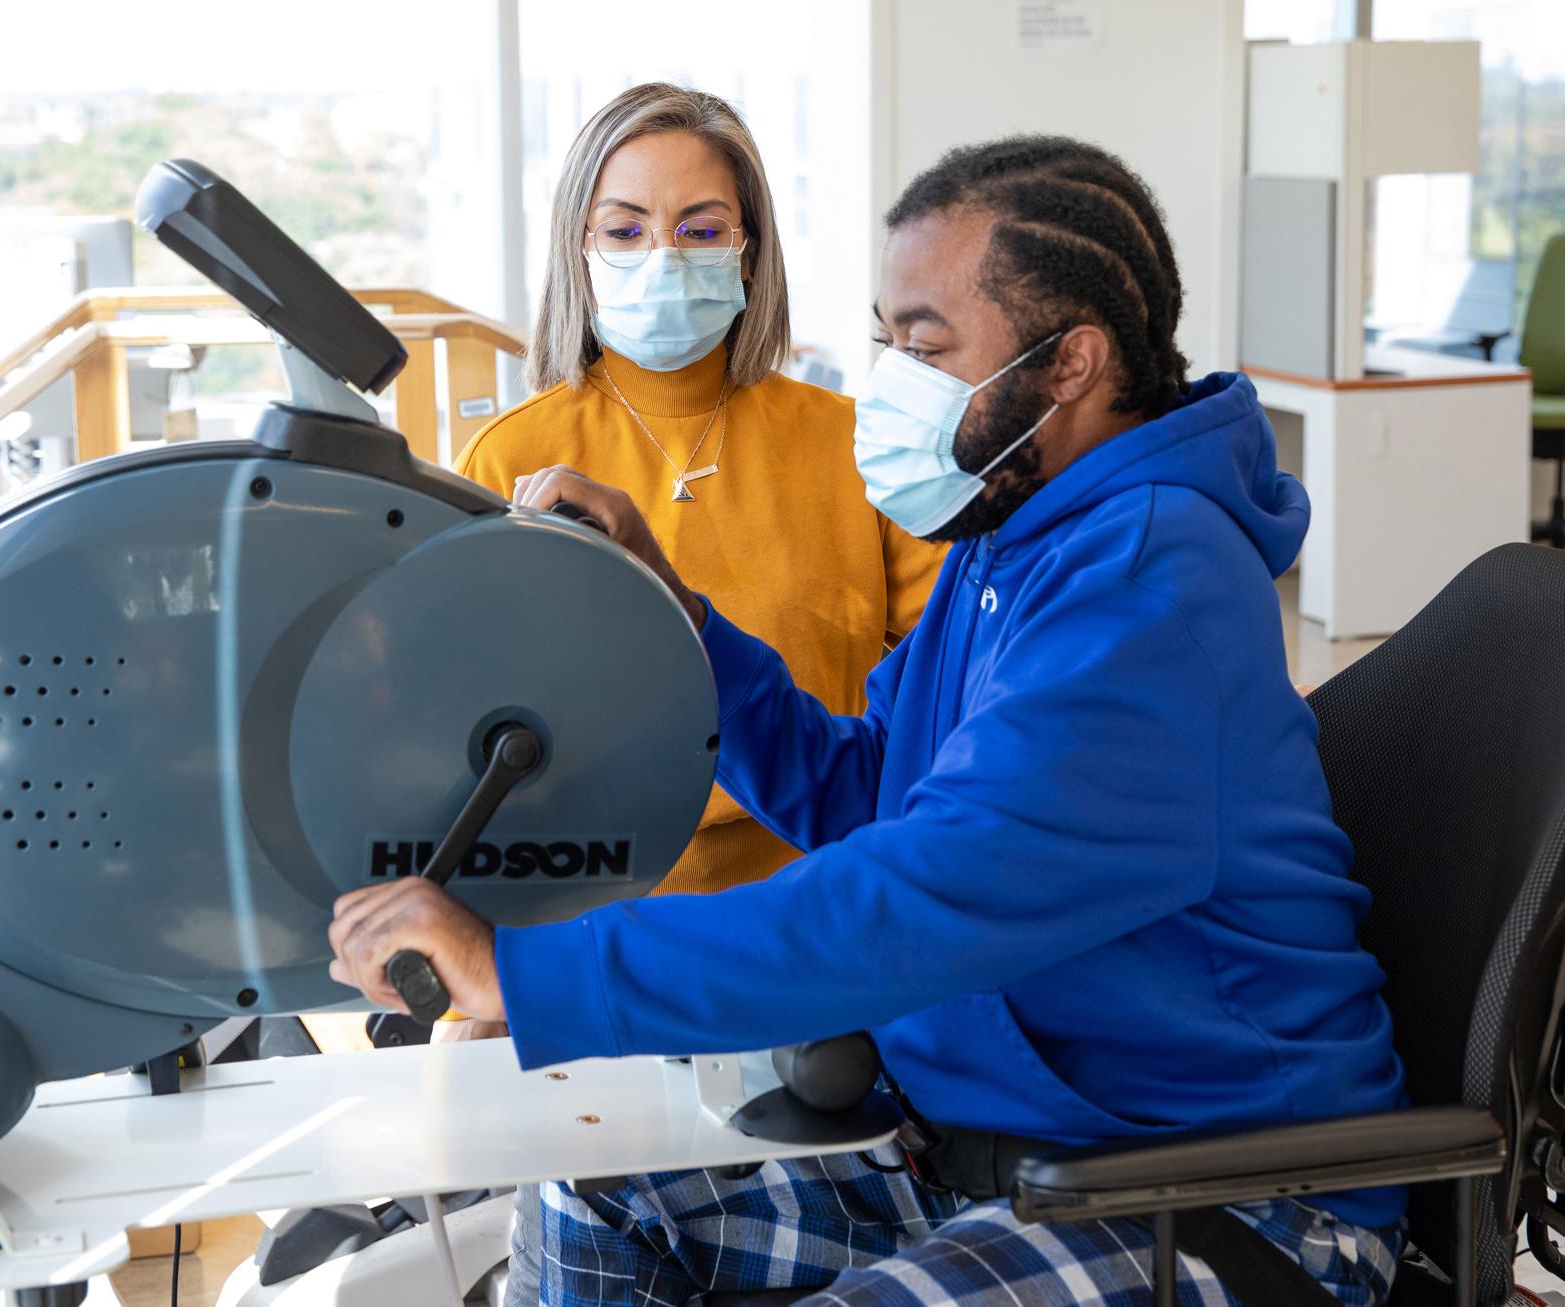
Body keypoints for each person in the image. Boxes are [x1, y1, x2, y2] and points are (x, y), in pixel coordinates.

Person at [327, 135, 1409, 1307]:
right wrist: (672, 614)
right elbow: (861, 787)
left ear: (1071, 363)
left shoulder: (1148, 583)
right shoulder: (1013, 539)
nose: (892, 375)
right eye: (885, 340)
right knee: (593, 1186)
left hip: (1216, 1198)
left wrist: (514, 970)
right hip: (995, 1156)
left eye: (925, 344)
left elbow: (916, 897)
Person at [454, 82, 944, 900]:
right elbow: (460, 732)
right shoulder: (513, 455)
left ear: (748, 250)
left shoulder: (861, 445)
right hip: (590, 909)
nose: (664, 256)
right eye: (625, 229)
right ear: (580, 249)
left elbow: (953, 686)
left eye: (701, 229)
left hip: (822, 895)